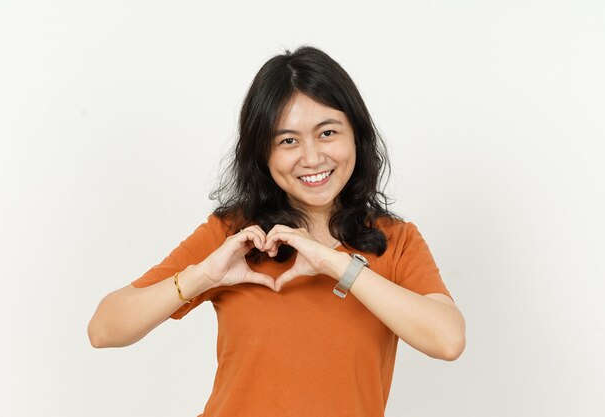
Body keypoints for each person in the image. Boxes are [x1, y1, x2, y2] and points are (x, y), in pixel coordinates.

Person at [88, 46, 466, 417]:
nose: (312, 157)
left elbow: (448, 340)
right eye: (288, 140)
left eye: (328, 132)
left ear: (357, 136)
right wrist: (203, 275)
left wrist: (336, 265)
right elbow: (104, 329)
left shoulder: (395, 240)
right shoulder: (233, 236)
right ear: (263, 154)